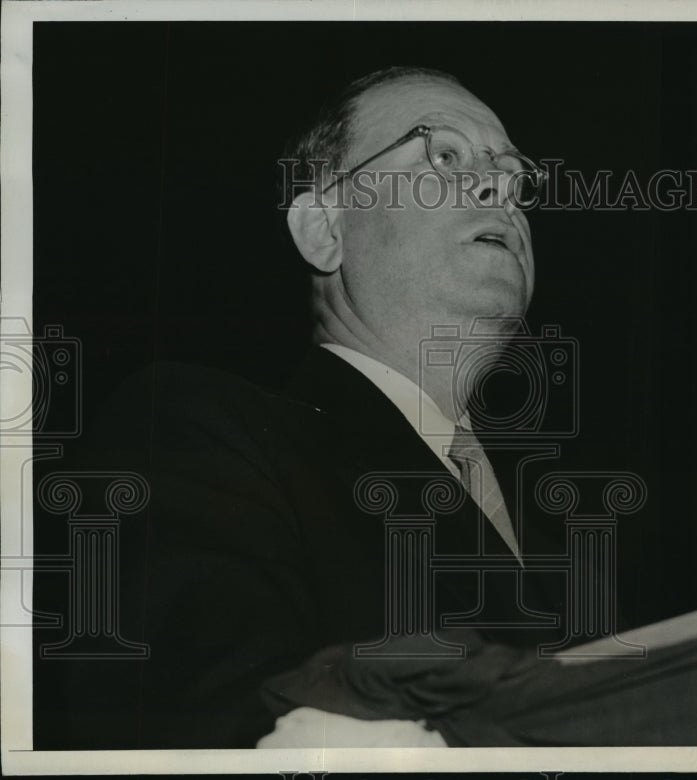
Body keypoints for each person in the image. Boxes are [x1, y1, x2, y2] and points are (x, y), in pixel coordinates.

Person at [59, 66, 565, 749]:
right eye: (442, 154)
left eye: (513, 177)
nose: (498, 187)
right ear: (324, 228)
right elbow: (199, 725)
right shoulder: (198, 430)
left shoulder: (563, 526)